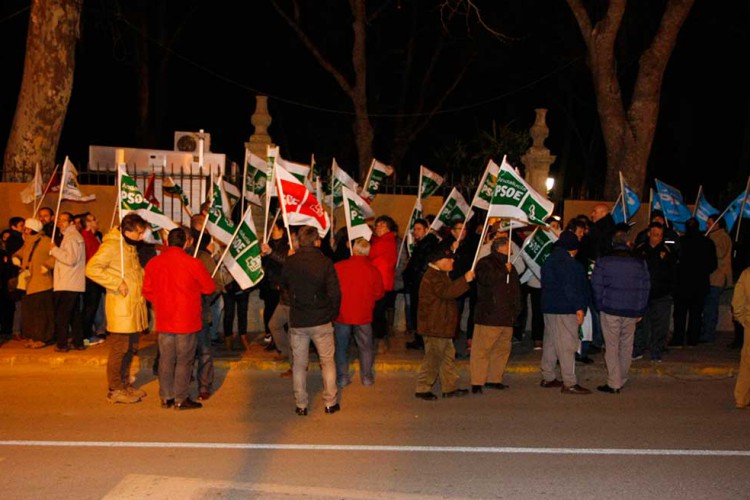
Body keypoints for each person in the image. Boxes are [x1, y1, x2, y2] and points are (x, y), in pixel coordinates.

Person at [143, 227, 216, 410]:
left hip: (165, 318)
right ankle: (180, 398)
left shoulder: (154, 263)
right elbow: (209, 288)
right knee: (184, 360)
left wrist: (161, 300)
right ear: (186, 242)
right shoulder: (193, 263)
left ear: (167, 242)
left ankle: (166, 396)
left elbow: (147, 291)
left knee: (166, 359)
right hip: (187, 319)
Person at [85, 213, 149, 404]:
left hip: (133, 306)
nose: (141, 237)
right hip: (121, 307)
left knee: (130, 349)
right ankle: (115, 389)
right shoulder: (112, 246)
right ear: (127, 231)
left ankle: (124, 383)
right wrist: (115, 283)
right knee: (119, 349)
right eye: (138, 233)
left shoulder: (128, 247)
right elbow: (92, 268)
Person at [280, 225, 341, 416]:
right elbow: (335, 293)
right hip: (321, 319)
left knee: (299, 364)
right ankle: (330, 403)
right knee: (327, 362)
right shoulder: (325, 262)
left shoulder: (291, 262)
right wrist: (331, 314)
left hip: (299, 320)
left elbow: (282, 285)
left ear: (299, 241)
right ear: (317, 241)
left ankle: (301, 405)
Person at [591, 230, 650, 393]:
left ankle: (614, 382)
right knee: (626, 345)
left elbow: (596, 285)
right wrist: (640, 309)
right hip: (631, 310)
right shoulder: (639, 262)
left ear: (613, 243)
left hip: (610, 309)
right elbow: (645, 288)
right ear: (628, 243)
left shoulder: (604, 261)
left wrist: (600, 304)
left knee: (611, 346)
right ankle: (622, 377)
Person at [414, 247, 475, 400]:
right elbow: (447, 293)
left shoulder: (440, 274)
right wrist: (464, 280)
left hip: (442, 325)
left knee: (447, 357)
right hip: (435, 326)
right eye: (449, 259)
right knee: (433, 358)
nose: (452, 261)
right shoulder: (433, 276)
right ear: (439, 261)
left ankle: (449, 387)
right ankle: (422, 388)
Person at [540, 231, 591, 394]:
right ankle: (569, 382)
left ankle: (548, 377)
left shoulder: (549, 260)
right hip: (566, 308)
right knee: (567, 345)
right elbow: (571, 288)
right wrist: (579, 307)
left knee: (550, 342)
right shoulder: (570, 264)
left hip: (549, 308)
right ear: (573, 248)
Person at [470, 236, 520, 394]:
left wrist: (517, 309)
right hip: (489, 315)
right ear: (500, 247)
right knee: (482, 350)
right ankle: (477, 381)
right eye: (508, 245)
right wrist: (503, 270)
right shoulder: (485, 263)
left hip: (507, 316)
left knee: (502, 349)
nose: (511, 248)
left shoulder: (511, 266)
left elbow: (516, 290)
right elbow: (485, 280)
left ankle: (494, 378)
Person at [333, 238, 384, 388]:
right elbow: (379, 293)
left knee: (341, 347)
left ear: (353, 249)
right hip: (363, 314)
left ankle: (342, 378)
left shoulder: (338, 267)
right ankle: (367, 378)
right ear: (368, 252)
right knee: (366, 347)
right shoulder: (373, 270)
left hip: (342, 314)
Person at [633, 222, 677, 361]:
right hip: (643, 293)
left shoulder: (667, 251)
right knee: (641, 323)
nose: (657, 238)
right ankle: (639, 348)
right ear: (649, 234)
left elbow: (673, 272)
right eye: (654, 235)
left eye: (660, 235)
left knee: (660, 325)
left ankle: (656, 349)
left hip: (661, 294)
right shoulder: (640, 250)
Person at [671, 217, 717, 347]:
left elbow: (674, 261)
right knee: (696, 314)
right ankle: (693, 339)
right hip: (699, 284)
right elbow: (713, 264)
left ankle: (678, 339)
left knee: (680, 314)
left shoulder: (681, 241)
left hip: (682, 284)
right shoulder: (707, 243)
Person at [14, 218, 55, 349]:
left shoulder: (46, 241)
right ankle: (32, 336)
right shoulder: (27, 242)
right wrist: (16, 257)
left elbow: (56, 255)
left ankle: (42, 338)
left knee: (41, 313)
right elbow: (20, 253)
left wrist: (47, 265)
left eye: (26, 228)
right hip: (28, 283)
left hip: (42, 283)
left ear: (31, 229)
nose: (24, 230)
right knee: (30, 313)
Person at [49, 212, 86, 352]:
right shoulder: (71, 237)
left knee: (62, 316)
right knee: (74, 316)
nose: (60, 223)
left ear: (71, 223)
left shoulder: (71, 238)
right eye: (59, 220)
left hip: (67, 283)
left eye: (63, 220)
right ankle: (78, 342)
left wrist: (54, 250)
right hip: (71, 282)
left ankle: (62, 344)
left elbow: (70, 259)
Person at [403, 218, 440, 350]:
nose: (416, 232)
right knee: (417, 312)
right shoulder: (423, 243)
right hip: (416, 283)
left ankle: (421, 340)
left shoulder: (428, 244)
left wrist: (415, 278)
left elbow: (424, 265)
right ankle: (419, 339)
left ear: (426, 229)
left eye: (419, 229)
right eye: (415, 230)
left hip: (420, 284)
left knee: (420, 312)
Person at [701, 215, 732, 343]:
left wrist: (708, 244)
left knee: (711, 307)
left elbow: (719, 253)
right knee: (708, 307)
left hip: (717, 278)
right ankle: (706, 331)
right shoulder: (713, 237)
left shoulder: (722, 237)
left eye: (709, 223)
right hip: (712, 278)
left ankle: (708, 333)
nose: (707, 226)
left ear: (717, 225)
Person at [369, 215, 398, 352]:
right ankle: (380, 339)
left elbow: (370, 253)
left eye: (382, 225)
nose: (379, 227)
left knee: (378, 314)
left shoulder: (385, 242)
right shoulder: (381, 240)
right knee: (378, 313)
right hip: (380, 282)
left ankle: (379, 340)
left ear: (389, 228)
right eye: (378, 225)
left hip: (382, 283)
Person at [80, 212, 105, 346]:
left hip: (92, 276)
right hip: (91, 277)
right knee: (89, 308)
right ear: (88, 223)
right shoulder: (87, 237)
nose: (97, 221)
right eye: (93, 219)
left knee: (91, 307)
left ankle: (87, 334)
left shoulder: (92, 237)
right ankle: (86, 336)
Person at [731, 265, 750, 409]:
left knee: (747, 362)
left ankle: (742, 398)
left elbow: (737, 299)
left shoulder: (747, 274)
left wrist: (741, 318)